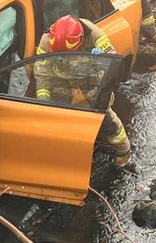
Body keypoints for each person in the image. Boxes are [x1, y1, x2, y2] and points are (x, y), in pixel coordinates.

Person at [33, 15, 132, 166]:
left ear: (80, 40)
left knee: (104, 116)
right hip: (60, 78)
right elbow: (42, 73)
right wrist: (43, 101)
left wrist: (101, 60)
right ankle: (69, 147)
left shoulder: (94, 34)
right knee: (59, 115)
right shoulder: (46, 40)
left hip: (87, 75)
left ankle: (123, 152)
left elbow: (113, 61)